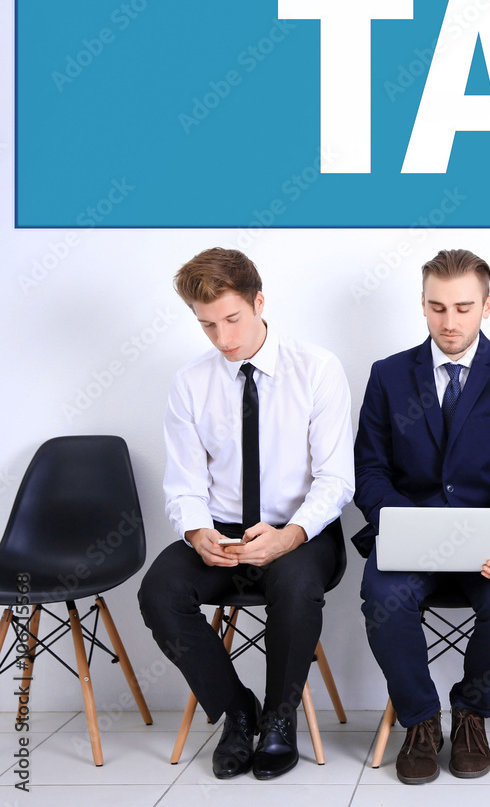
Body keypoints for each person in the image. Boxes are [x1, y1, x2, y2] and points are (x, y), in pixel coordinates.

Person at [138, 248, 354, 780]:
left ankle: (281, 722)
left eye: (232, 319)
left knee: (296, 587)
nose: (223, 338)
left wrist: (290, 535)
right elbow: (185, 483)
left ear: (260, 302)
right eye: (207, 325)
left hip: (303, 527)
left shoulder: (318, 368)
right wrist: (196, 530)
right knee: (158, 592)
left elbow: (336, 479)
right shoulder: (191, 384)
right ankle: (238, 711)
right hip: (223, 529)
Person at [354, 248, 490, 784]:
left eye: (463, 307)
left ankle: (471, 710)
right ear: (422, 305)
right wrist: (403, 525)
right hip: (410, 535)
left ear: (487, 305)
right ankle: (421, 720)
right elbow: (369, 472)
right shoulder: (388, 375)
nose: (450, 322)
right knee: (382, 599)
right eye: (437, 307)